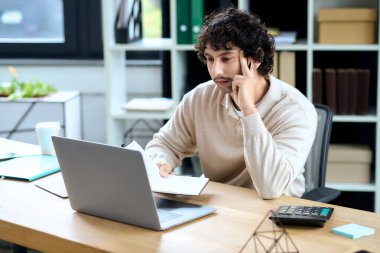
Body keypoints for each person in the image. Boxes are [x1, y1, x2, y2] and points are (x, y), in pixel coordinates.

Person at [145, 7, 317, 199]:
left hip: (275, 214)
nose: (216, 71)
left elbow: (271, 188)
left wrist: (248, 111)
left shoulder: (295, 109)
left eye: (226, 58)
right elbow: (164, 144)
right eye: (210, 59)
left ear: (256, 58)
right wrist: (160, 162)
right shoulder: (200, 97)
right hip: (218, 207)